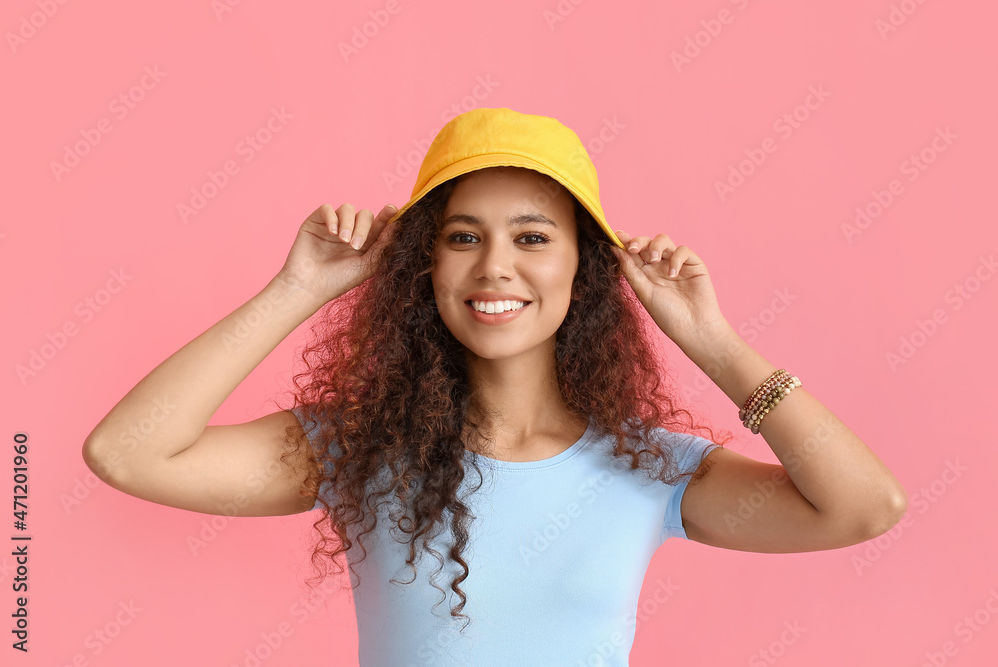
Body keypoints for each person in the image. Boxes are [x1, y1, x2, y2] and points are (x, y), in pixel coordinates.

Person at [82, 107, 907, 665]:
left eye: (533, 236)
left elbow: (865, 506)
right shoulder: (356, 449)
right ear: (423, 265)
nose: (496, 267)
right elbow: (127, 452)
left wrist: (714, 342)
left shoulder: (651, 469)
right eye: (463, 236)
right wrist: (297, 290)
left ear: (583, 266)